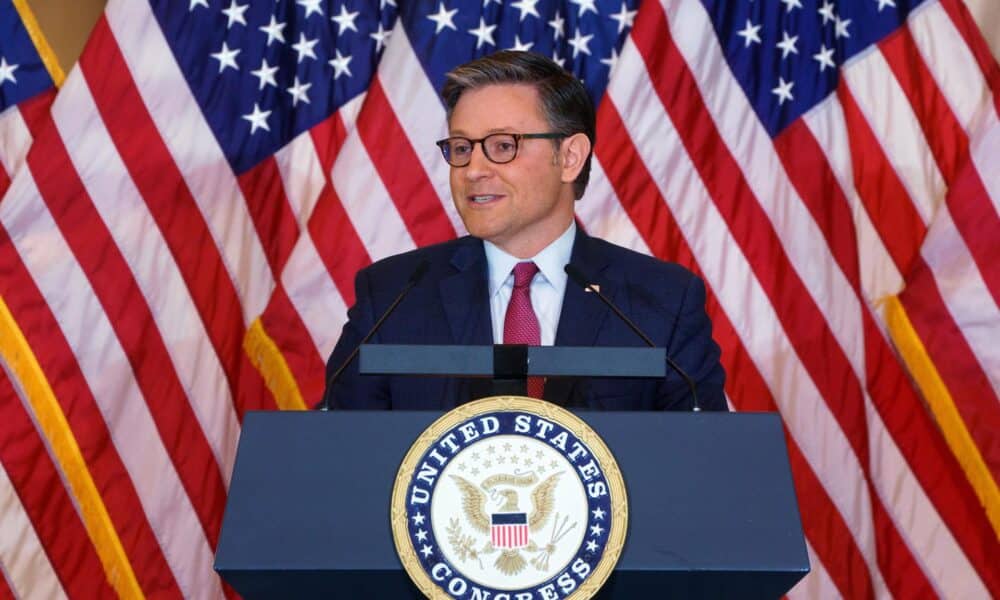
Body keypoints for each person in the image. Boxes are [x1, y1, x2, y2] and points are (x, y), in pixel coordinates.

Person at [322, 50, 726, 411]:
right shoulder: (394, 295)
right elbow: (338, 457)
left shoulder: (661, 301)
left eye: (502, 146)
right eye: (462, 148)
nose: (473, 171)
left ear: (570, 157)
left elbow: (701, 466)